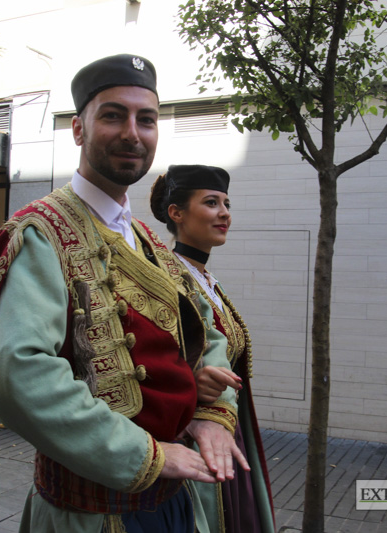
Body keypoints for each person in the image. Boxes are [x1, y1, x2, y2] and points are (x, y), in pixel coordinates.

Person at [0, 54, 245, 532]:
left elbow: (208, 328)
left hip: (175, 500)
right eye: (112, 115)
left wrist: (211, 413)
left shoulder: (142, 237)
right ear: (79, 129)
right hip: (90, 514)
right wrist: (144, 455)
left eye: (146, 120)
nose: (132, 133)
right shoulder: (42, 232)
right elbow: (19, 375)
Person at [150, 164, 276, 533]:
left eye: (226, 203)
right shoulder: (164, 278)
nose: (225, 213)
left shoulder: (205, 280)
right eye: (211, 202)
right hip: (190, 437)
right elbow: (151, 355)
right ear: (177, 213)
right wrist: (191, 380)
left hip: (227, 428)